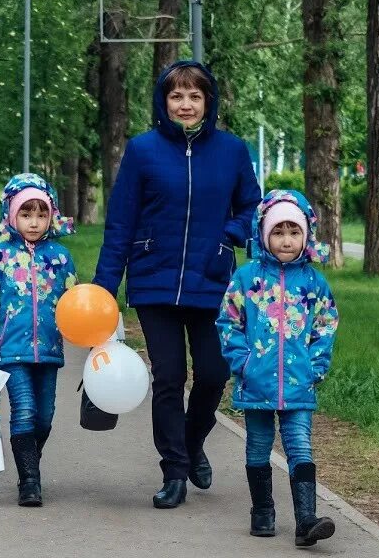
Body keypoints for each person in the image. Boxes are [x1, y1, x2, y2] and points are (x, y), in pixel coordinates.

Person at [92, 61, 262, 508]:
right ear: (163, 102)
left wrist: (228, 236)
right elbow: (120, 223)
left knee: (213, 373)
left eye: (194, 96)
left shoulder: (232, 152)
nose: (185, 104)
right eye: (176, 96)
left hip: (212, 281)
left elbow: (252, 209)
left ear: (209, 101)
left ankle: (190, 443)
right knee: (168, 377)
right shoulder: (142, 150)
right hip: (154, 280)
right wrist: (102, 293)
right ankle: (174, 471)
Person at [217, 189, 339, 547]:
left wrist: (315, 367)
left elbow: (326, 326)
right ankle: (263, 511)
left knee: (300, 445)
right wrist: (243, 363)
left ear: (306, 236)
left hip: (300, 383)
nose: (287, 240)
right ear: (264, 235)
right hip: (256, 382)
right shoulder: (247, 279)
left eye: (294, 232)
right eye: (279, 232)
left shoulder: (314, 283)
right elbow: (229, 323)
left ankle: (306, 521)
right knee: (257, 446)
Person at [0, 173, 77, 507]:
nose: (34, 222)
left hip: (49, 351)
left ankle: (29, 459)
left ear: (51, 216)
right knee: (25, 410)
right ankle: (29, 481)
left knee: (44, 417)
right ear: (12, 215)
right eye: (26, 214)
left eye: (41, 214)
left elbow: (76, 304)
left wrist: (96, 337)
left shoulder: (60, 258)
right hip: (9, 352)